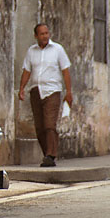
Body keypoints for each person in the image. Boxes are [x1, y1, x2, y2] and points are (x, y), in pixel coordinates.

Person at [18, 23, 73, 167]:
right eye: (42, 34)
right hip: (36, 90)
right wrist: (22, 88)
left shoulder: (58, 50)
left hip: (52, 91)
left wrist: (69, 92)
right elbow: (27, 71)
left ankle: (51, 155)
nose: (45, 36)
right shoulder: (31, 51)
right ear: (36, 36)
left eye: (47, 33)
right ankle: (47, 155)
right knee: (40, 127)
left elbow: (65, 71)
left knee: (49, 124)